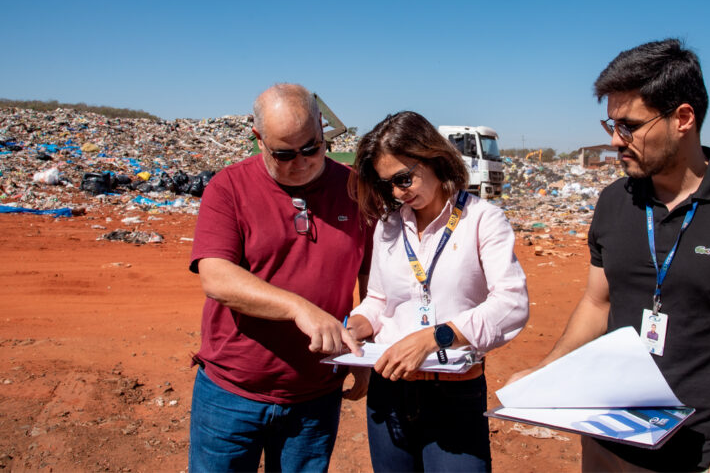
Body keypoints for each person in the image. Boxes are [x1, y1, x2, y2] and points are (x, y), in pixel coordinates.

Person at [508, 39, 710, 472]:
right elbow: (598, 303)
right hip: (606, 442)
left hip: (705, 456)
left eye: (630, 126)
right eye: (611, 125)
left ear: (683, 118)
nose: (617, 141)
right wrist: (545, 372)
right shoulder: (614, 203)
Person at [187, 83, 373, 472]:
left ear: (323, 130)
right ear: (258, 139)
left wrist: (364, 345)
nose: (301, 163)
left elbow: (372, 278)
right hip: (231, 393)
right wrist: (297, 308)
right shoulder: (229, 188)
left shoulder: (356, 190)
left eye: (312, 148)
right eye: (284, 154)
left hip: (316, 395)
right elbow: (217, 277)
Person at [346, 111, 529, 472]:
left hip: (454, 392)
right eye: (387, 185)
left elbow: (512, 304)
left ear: (432, 158)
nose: (398, 193)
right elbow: (380, 300)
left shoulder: (482, 219)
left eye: (403, 178)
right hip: (390, 389)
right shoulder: (387, 227)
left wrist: (435, 337)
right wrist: (354, 328)